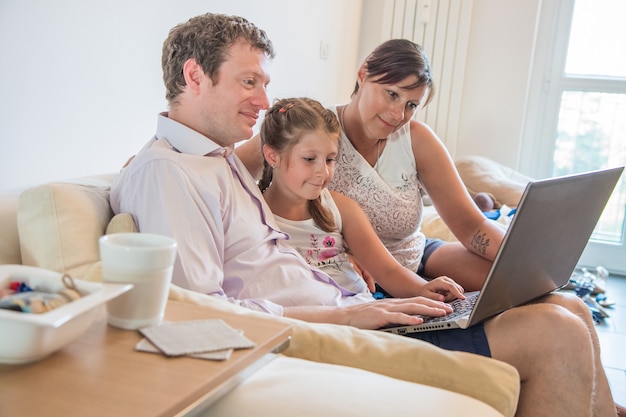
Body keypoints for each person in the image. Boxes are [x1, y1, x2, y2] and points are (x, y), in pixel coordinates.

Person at [110, 14, 622, 417]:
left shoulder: (217, 159)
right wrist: (349, 313)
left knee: (568, 310)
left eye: (264, 83)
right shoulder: (172, 173)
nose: (264, 101)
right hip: (337, 330)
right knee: (558, 333)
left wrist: (363, 297)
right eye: (249, 82)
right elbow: (202, 313)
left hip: (359, 305)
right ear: (194, 75)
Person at [258, 97, 464, 302]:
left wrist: (425, 288)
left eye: (330, 159)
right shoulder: (254, 213)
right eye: (310, 159)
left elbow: (389, 270)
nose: (323, 172)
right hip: (330, 322)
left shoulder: (340, 207)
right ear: (273, 156)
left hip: (367, 308)